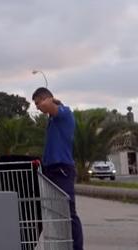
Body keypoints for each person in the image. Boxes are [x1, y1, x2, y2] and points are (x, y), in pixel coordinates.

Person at [33, 87, 84, 250]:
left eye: (37, 103)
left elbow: (49, 104)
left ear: (45, 98)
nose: (37, 107)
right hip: (50, 169)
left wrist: (52, 101)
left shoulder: (64, 113)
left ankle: (76, 247)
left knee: (68, 212)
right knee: (54, 211)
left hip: (61, 169)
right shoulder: (53, 120)